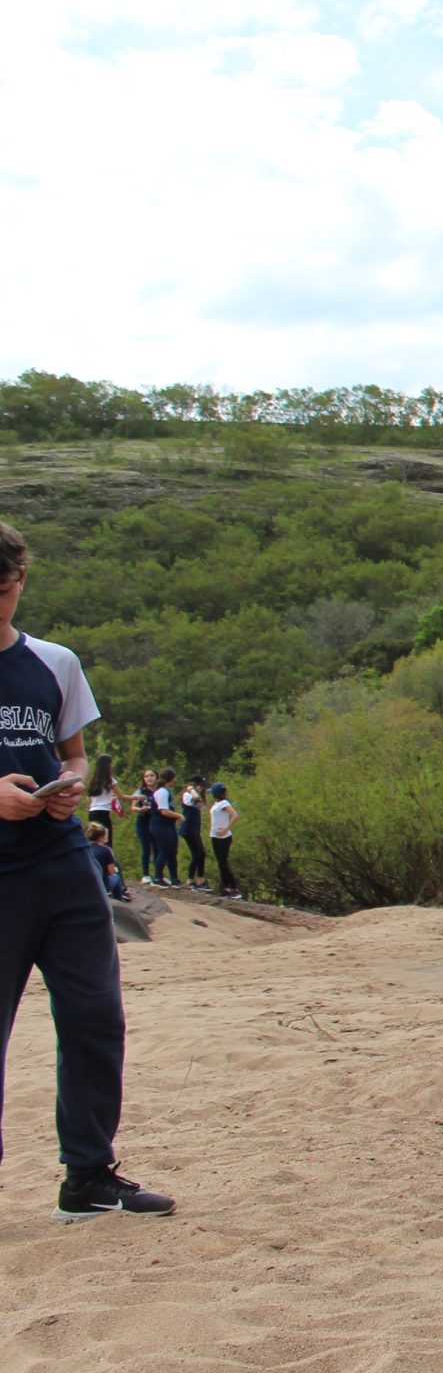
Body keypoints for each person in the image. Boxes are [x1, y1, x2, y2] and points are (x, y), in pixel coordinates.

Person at [0, 521, 175, 1221]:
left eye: (6, 590)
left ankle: (89, 1177)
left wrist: (68, 783)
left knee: (96, 1015)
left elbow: (73, 753)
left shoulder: (54, 662)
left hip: (62, 859)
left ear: (21, 582)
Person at [207, 782, 240, 900]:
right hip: (215, 836)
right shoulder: (217, 804)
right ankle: (225, 888)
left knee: (223, 863)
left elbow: (235, 815)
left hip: (223, 837)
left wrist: (226, 829)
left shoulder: (224, 803)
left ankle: (234, 888)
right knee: (220, 863)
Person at [177, 775, 208, 890]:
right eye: (199, 785)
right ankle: (191, 880)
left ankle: (200, 879)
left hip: (194, 829)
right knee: (197, 853)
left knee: (201, 853)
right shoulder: (187, 795)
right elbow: (195, 798)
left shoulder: (197, 795)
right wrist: (190, 788)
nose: (201, 788)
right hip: (188, 829)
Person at [85, 822, 127, 902]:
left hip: (87, 884)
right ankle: (119, 901)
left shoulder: (84, 849)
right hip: (101, 885)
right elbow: (111, 872)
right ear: (101, 836)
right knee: (116, 877)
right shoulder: (106, 850)